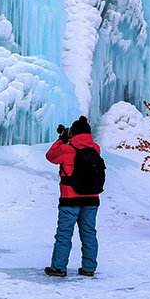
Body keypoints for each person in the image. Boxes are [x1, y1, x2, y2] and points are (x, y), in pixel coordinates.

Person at [43, 116, 101, 278]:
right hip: (91, 199)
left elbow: (50, 156)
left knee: (64, 234)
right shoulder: (95, 148)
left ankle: (58, 268)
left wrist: (61, 139)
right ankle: (89, 268)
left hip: (70, 199)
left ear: (73, 133)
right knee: (89, 233)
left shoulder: (67, 149)